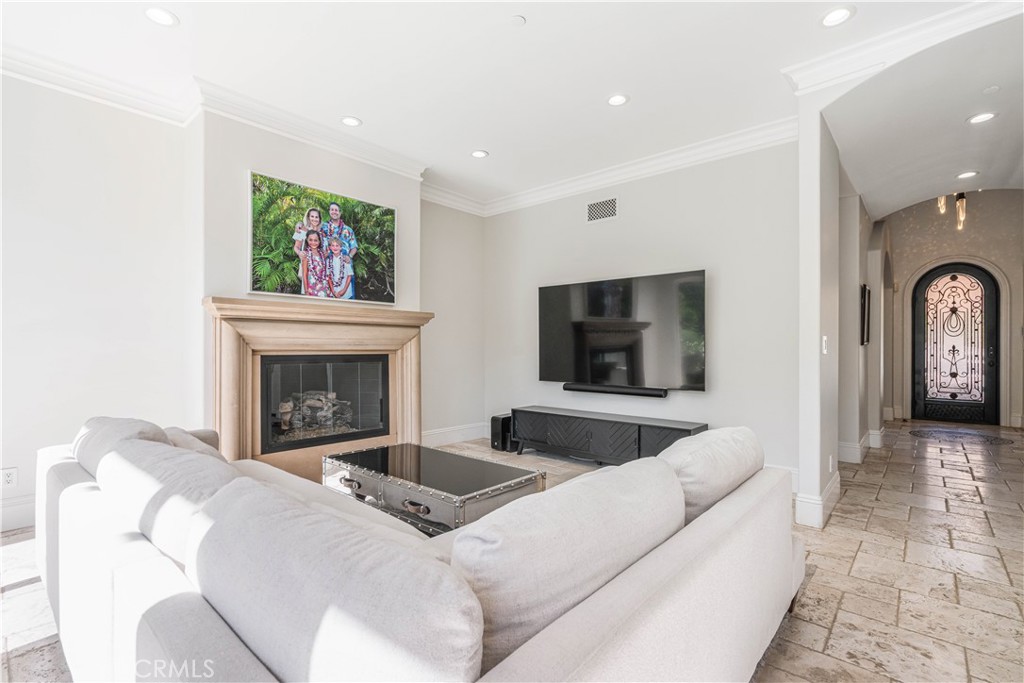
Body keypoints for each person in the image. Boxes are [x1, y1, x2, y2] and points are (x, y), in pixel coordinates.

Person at [295, 230, 329, 297]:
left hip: (323, 285)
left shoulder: (322, 255)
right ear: (307, 240)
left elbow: (324, 271)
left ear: (319, 241)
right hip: (311, 286)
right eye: (310, 240)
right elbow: (304, 274)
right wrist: (306, 291)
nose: (313, 242)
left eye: (315, 240)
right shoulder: (306, 255)